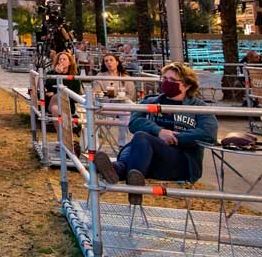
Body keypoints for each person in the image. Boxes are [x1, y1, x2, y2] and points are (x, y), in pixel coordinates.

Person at [93, 63, 218, 205]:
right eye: (164, 78)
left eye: (171, 80)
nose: (166, 83)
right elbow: (134, 122)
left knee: (142, 138)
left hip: (179, 160)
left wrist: (174, 137)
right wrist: (159, 131)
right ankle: (124, 175)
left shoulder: (199, 107)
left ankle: (119, 172)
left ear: (186, 85)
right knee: (141, 140)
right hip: (146, 158)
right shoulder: (151, 101)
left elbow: (209, 133)